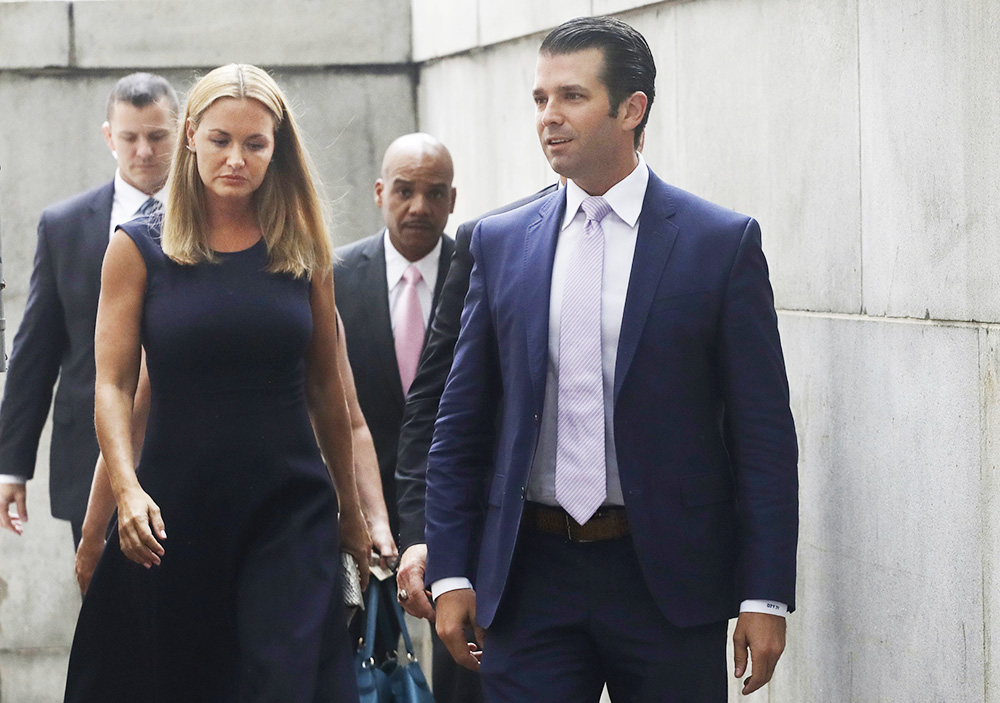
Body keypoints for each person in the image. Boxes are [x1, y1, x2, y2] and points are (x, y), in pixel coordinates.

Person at [424, 16, 799, 702]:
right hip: (529, 574)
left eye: (571, 96)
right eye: (539, 99)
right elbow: (460, 423)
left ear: (631, 109)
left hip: (666, 581)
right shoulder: (499, 242)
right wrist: (450, 571)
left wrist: (766, 594)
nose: (548, 117)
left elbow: (764, 435)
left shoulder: (720, 244)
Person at [63, 63, 370, 702]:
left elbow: (325, 389)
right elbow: (115, 386)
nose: (236, 158)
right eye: (221, 140)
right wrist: (125, 493)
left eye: (255, 144)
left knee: (283, 680)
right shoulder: (138, 247)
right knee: (186, 683)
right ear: (191, 138)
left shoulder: (304, 247)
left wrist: (351, 511)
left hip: (288, 510)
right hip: (174, 513)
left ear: (276, 149)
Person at [0, 73, 179, 547]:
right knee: (101, 610)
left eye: (157, 136)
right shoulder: (63, 226)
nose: (143, 151)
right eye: (130, 137)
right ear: (108, 138)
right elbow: (35, 350)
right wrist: (11, 465)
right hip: (89, 452)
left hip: (186, 442)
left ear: (180, 132)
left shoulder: (214, 218)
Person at [335, 132, 480, 701]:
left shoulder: (479, 273)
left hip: (456, 506)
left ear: (452, 200)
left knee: (462, 663)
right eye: (404, 190)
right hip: (361, 507)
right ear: (379, 192)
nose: (419, 206)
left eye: (434, 193)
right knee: (369, 665)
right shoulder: (335, 275)